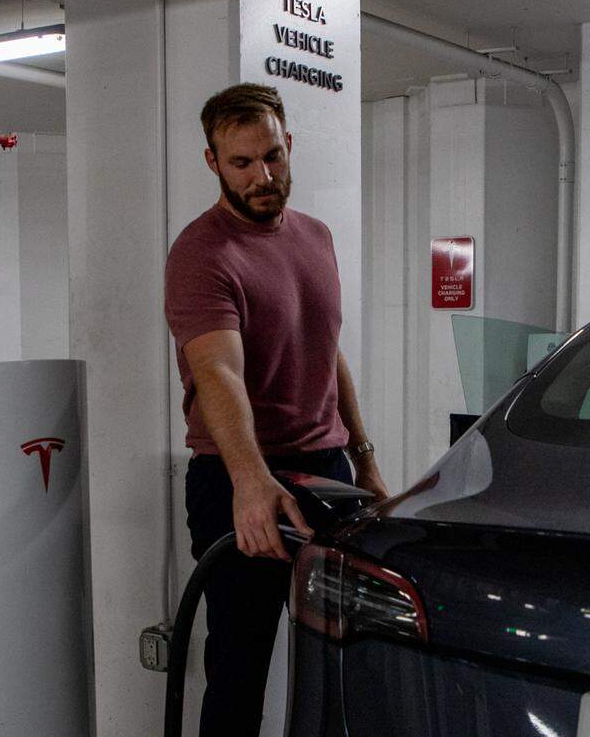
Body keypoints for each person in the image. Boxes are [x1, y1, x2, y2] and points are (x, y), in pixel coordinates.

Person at [164, 83, 387, 737]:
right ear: (212, 162)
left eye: (271, 157)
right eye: (241, 163)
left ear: (288, 145)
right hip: (237, 476)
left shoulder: (315, 237)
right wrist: (250, 480)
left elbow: (326, 350)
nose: (262, 176)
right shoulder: (202, 254)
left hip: (326, 467)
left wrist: (365, 457)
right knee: (239, 667)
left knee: (351, 656)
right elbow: (218, 373)